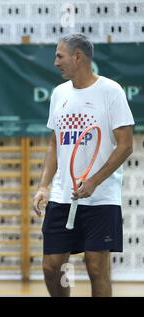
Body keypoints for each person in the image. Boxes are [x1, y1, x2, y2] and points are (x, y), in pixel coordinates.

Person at [32, 34, 134, 297]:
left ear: (78, 56)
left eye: (59, 56)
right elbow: (54, 145)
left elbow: (125, 145)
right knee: (52, 266)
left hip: (101, 198)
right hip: (62, 196)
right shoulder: (58, 94)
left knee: (96, 267)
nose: (55, 62)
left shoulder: (111, 91)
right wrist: (44, 186)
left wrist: (94, 182)